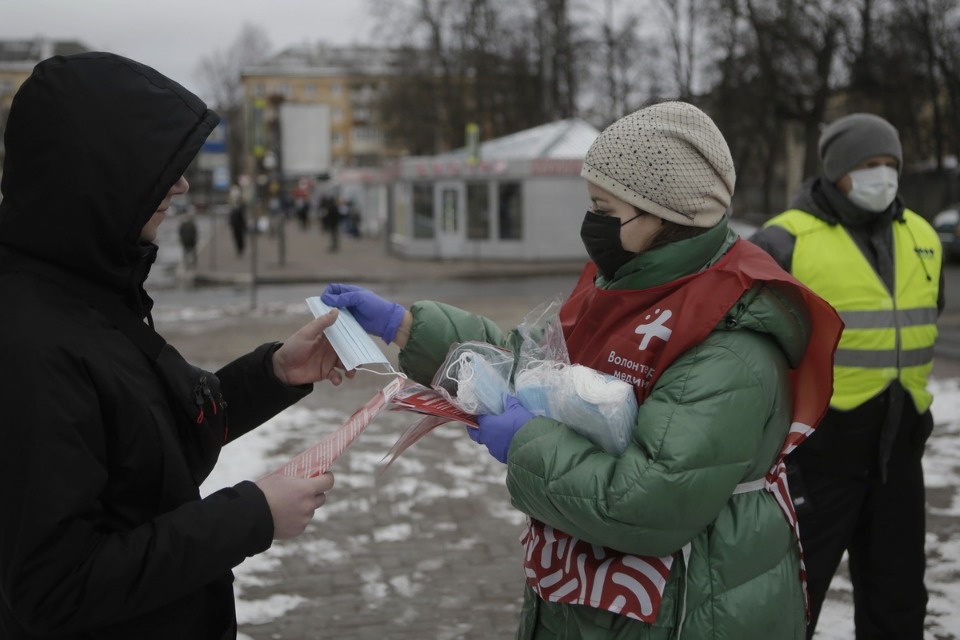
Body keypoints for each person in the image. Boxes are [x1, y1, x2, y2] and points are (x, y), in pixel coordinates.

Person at [321, 101, 843, 639]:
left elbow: (647, 503)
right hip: (609, 608)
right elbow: (537, 367)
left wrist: (528, 442)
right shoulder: (630, 283)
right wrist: (403, 325)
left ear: (665, 216)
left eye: (604, 208)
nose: (591, 223)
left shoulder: (728, 339)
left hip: (687, 611)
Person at [0, 52, 349, 640]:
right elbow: (54, 587)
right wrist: (251, 517)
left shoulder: (85, 289)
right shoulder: (29, 340)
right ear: (97, 176)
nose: (181, 184)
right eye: (158, 168)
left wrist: (273, 373)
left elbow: (149, 452)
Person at [749, 113, 942, 639]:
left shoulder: (923, 234)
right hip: (820, 456)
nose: (883, 176)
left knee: (898, 601)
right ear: (836, 171)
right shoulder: (784, 240)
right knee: (789, 601)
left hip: (899, 454)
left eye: (889, 164)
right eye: (867, 165)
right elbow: (752, 347)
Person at [228, 183, 247, 257]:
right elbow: (232, 218)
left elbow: (242, 217)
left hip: (239, 227)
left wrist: (244, 226)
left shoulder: (240, 208)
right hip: (236, 227)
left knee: (240, 238)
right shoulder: (234, 209)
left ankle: (241, 249)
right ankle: (239, 249)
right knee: (237, 238)